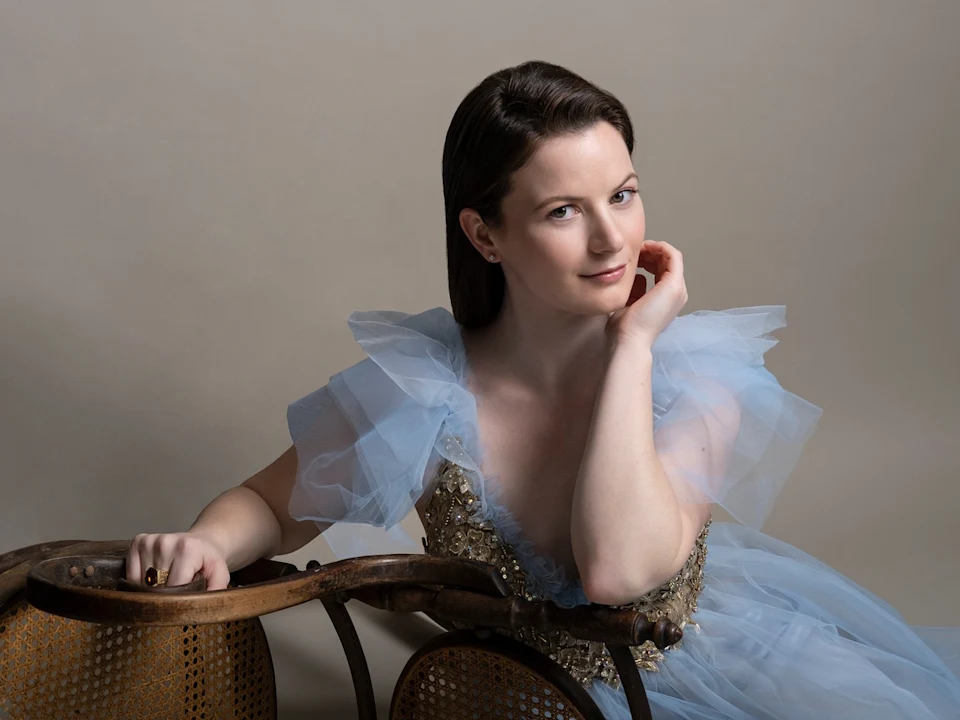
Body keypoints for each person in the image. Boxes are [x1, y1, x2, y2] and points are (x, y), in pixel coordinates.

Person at [126, 60, 960, 718]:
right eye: (564, 211)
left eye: (624, 196)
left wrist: (633, 348)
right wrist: (206, 541)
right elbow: (271, 506)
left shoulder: (702, 381)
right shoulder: (424, 389)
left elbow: (617, 573)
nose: (611, 238)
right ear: (485, 234)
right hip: (492, 697)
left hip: (690, 681)